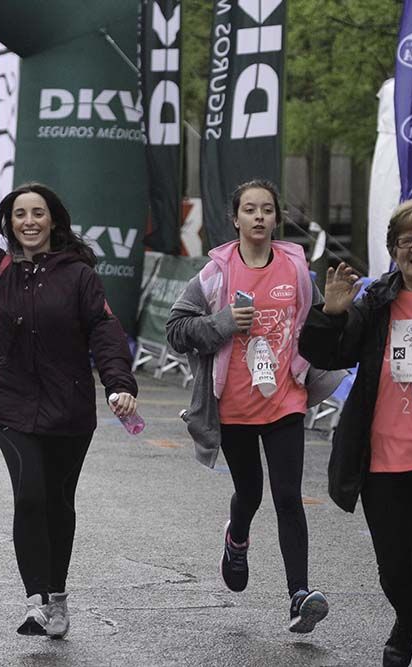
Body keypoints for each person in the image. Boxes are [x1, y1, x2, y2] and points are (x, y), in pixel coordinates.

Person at [0, 126, 138, 638]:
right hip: (12, 403)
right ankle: (36, 601)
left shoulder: (79, 275)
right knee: (29, 496)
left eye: (37, 213)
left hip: (70, 408)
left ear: (53, 221)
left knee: (59, 504)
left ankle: (59, 594)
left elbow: (105, 330)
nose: (28, 221)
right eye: (19, 214)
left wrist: (118, 382)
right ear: (9, 222)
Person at [166, 180, 343, 635]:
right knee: (250, 493)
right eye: (250, 209)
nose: (259, 217)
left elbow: (319, 324)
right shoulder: (216, 274)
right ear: (236, 218)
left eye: (267, 209)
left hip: (285, 399)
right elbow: (176, 330)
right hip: (234, 407)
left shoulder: (296, 269)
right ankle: (236, 538)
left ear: (276, 218)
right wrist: (223, 322)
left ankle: (299, 596)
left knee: (288, 497)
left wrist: (337, 316)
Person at [299, 200, 412, 667]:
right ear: (394, 250)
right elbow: (327, 354)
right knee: (395, 572)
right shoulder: (376, 302)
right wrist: (331, 313)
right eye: (407, 241)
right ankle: (407, 621)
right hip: (384, 462)